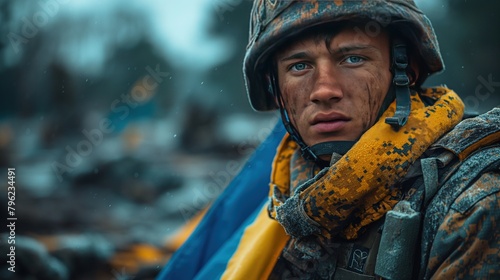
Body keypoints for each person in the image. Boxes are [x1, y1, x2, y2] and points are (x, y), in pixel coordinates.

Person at [158, 0, 500, 279]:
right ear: (276, 91)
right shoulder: (284, 192)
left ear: (405, 71)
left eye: (353, 58)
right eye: (299, 66)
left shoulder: (473, 207)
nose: (324, 91)